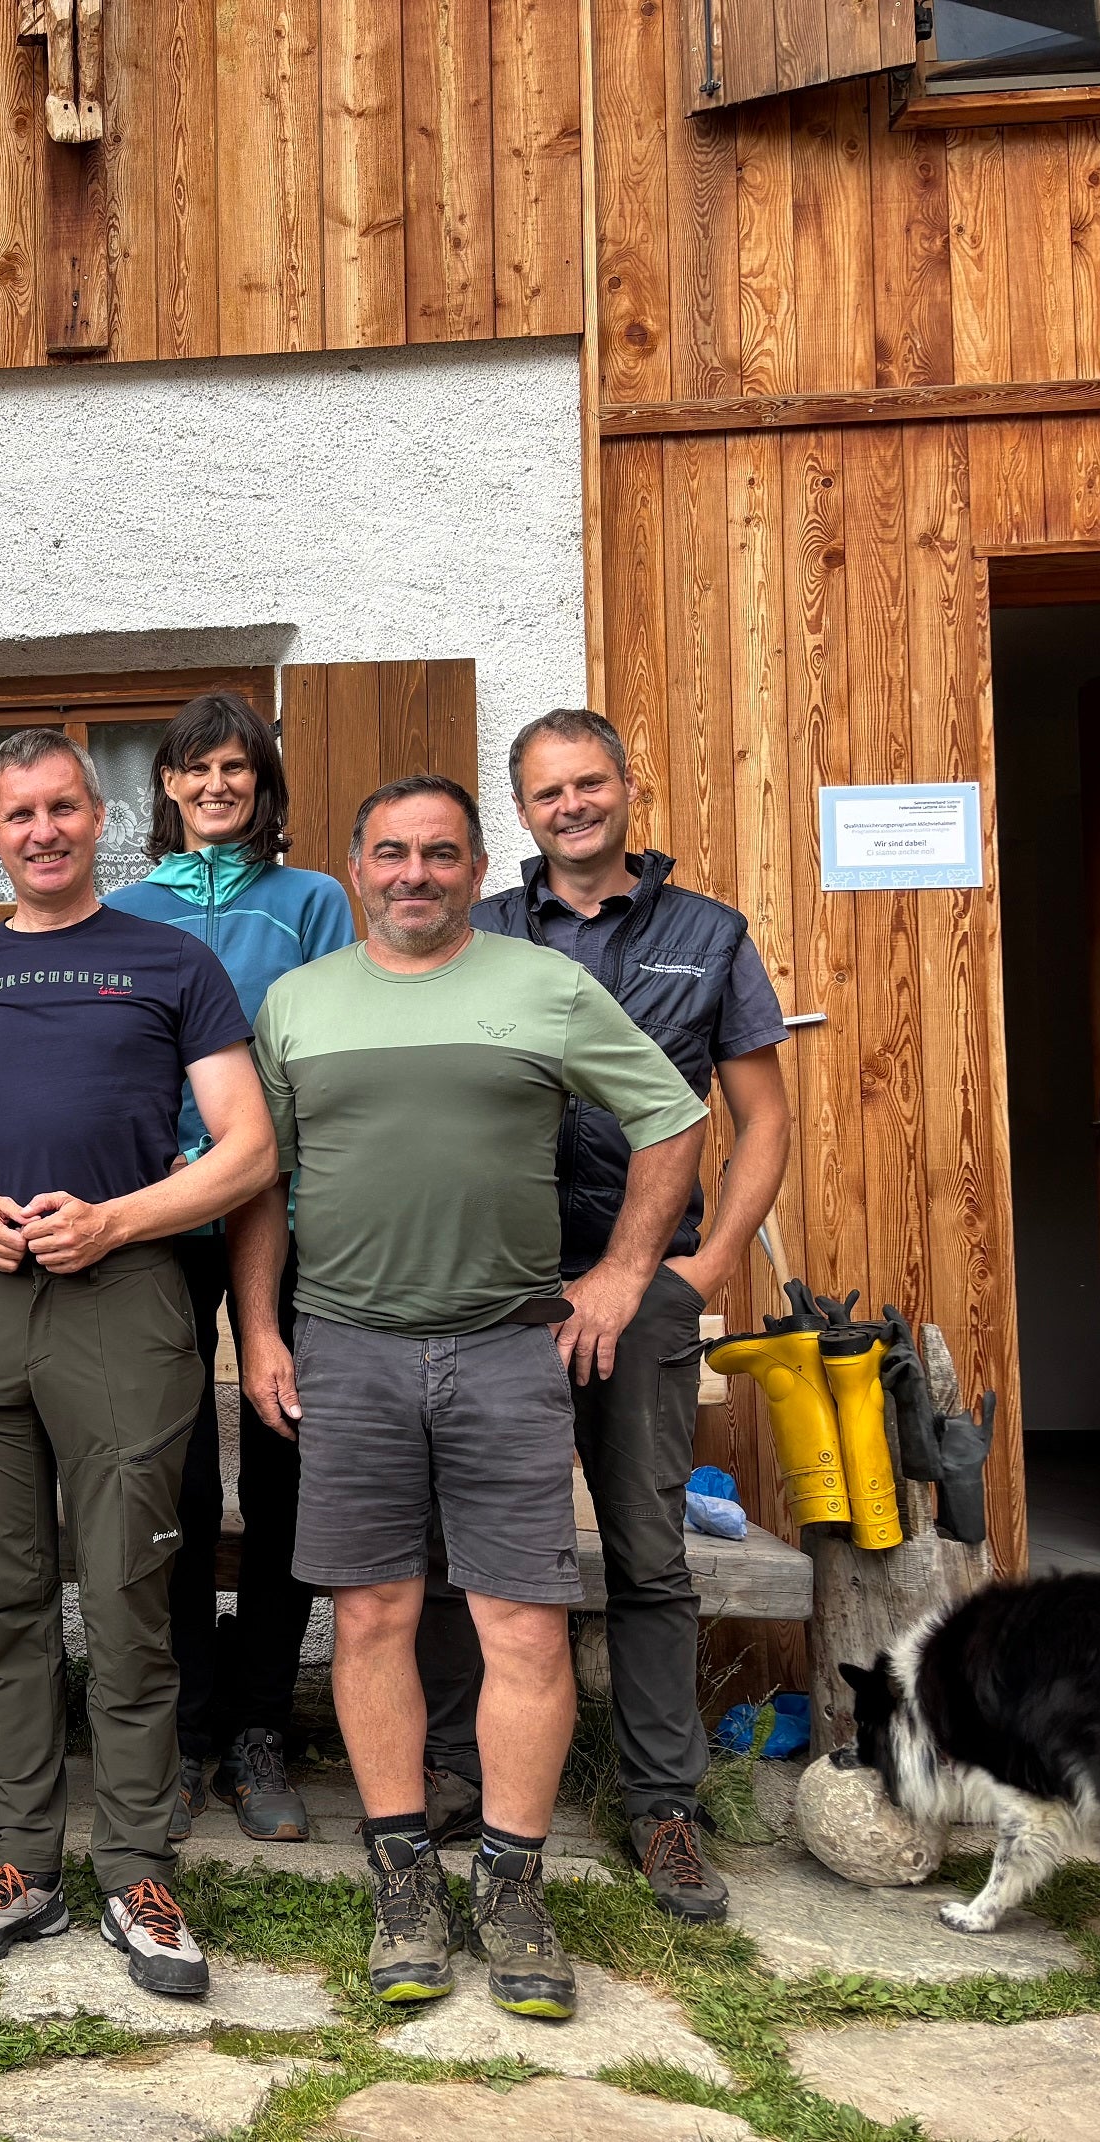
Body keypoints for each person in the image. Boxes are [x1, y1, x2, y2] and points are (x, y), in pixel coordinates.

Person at [236, 774, 707, 2023]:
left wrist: (619, 1275)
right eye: (390, 853)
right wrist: (258, 1329)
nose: (414, 876)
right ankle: (403, 1876)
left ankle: (510, 1881)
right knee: (374, 1615)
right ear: (353, 866)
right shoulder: (297, 1002)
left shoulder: (542, 985)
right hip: (346, 1348)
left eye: (441, 854)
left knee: (523, 1627)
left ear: (476, 865)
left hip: (509, 1349)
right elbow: (261, 1184)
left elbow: (671, 1115)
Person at [0, 728, 276, 2001]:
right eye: (17, 815)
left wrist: (124, 1218)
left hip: (124, 1290)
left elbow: (247, 1147)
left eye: (61, 808)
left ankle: (138, 1865)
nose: (42, 831)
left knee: (129, 1597)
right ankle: (22, 1863)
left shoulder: (174, 959)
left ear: (99, 816)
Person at [409, 709, 790, 1925]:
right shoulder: (487, 931)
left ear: (630, 786)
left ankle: (662, 1807)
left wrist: (701, 1267)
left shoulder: (708, 934)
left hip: (643, 1288)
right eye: (545, 792)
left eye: (589, 785)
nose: (570, 806)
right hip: (499, 1295)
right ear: (519, 811)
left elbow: (761, 1119)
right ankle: (458, 1772)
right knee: (465, 1549)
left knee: (646, 1550)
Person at [105, 692, 354, 1847]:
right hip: (157, 1216)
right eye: (196, 770)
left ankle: (263, 1722)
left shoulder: (312, 902)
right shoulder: (126, 908)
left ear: (263, 785)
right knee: (177, 1479)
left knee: (287, 1467)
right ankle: (192, 1723)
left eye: (236, 770)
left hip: (286, 1209)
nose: (216, 787)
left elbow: (337, 1046)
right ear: (165, 784)